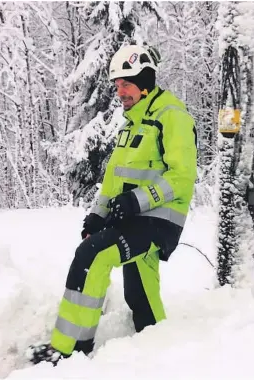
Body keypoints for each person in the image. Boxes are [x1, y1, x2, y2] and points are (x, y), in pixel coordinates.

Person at [27, 44, 197, 365]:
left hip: (157, 220)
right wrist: (96, 216)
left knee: (92, 256)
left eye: (126, 84)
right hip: (133, 218)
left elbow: (182, 177)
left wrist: (137, 200)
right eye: (116, 85)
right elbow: (113, 181)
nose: (120, 92)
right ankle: (161, 343)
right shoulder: (131, 124)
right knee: (139, 292)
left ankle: (69, 350)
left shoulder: (171, 116)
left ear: (145, 82)